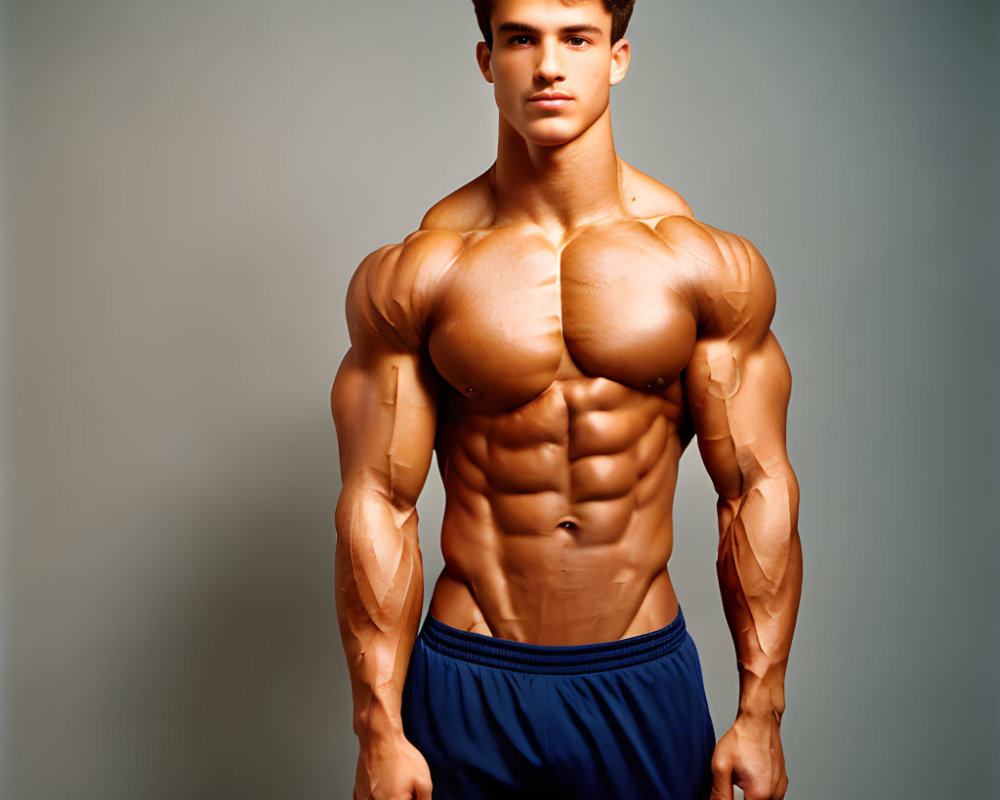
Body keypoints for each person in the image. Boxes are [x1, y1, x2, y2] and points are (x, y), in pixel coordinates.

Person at [331, 0, 802, 797]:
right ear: (488, 61)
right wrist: (378, 726)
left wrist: (761, 713)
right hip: (469, 675)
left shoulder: (702, 266)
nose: (549, 65)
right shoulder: (422, 271)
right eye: (521, 39)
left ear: (616, 56)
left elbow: (755, 488)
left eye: (576, 39)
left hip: (641, 676)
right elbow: (378, 499)